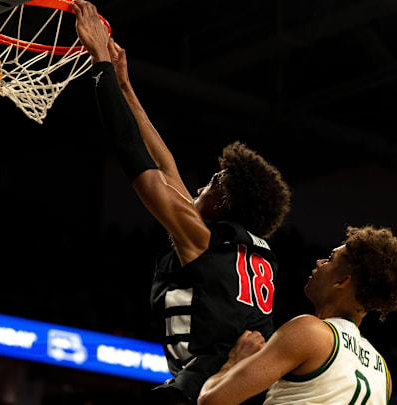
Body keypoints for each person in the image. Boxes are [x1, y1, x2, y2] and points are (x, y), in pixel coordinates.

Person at [71, 1, 292, 403]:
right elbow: (165, 164)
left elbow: (131, 153)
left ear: (224, 202)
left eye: (210, 183)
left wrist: (100, 61)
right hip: (242, 379)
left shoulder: (203, 239)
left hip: (212, 379)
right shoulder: (240, 249)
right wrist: (125, 87)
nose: (197, 189)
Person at [198, 226, 397, 405]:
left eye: (330, 259)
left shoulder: (310, 332)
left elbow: (211, 400)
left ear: (342, 281)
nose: (319, 263)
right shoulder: (383, 373)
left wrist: (234, 362)